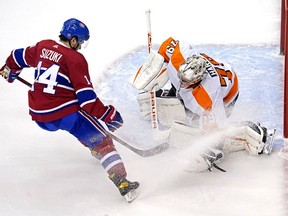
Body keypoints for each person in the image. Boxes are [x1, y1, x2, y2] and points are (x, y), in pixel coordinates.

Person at [0, 18, 139, 202]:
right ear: (73, 39)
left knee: (84, 119)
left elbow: (19, 56)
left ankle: (94, 148)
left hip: (39, 114)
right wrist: (109, 115)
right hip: (63, 113)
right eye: (80, 42)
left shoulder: (43, 46)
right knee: (102, 139)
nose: (80, 46)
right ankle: (122, 182)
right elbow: (87, 99)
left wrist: (10, 69)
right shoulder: (75, 59)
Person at [131, 36, 275, 172]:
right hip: (216, 72)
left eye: (186, 82)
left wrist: (208, 145)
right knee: (180, 93)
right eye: (180, 77)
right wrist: (154, 67)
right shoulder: (180, 55)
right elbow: (167, 45)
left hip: (228, 92)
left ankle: (253, 133)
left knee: (198, 126)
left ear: (198, 81)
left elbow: (219, 128)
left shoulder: (209, 98)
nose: (181, 82)